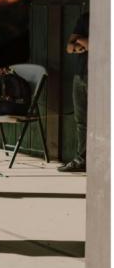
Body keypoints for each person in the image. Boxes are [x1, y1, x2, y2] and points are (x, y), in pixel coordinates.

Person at [59, 11, 89, 172]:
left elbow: (99, 44)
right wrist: (80, 42)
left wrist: (81, 41)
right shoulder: (86, 17)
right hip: (80, 75)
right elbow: (69, 47)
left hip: (101, 77)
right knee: (81, 121)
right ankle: (81, 160)